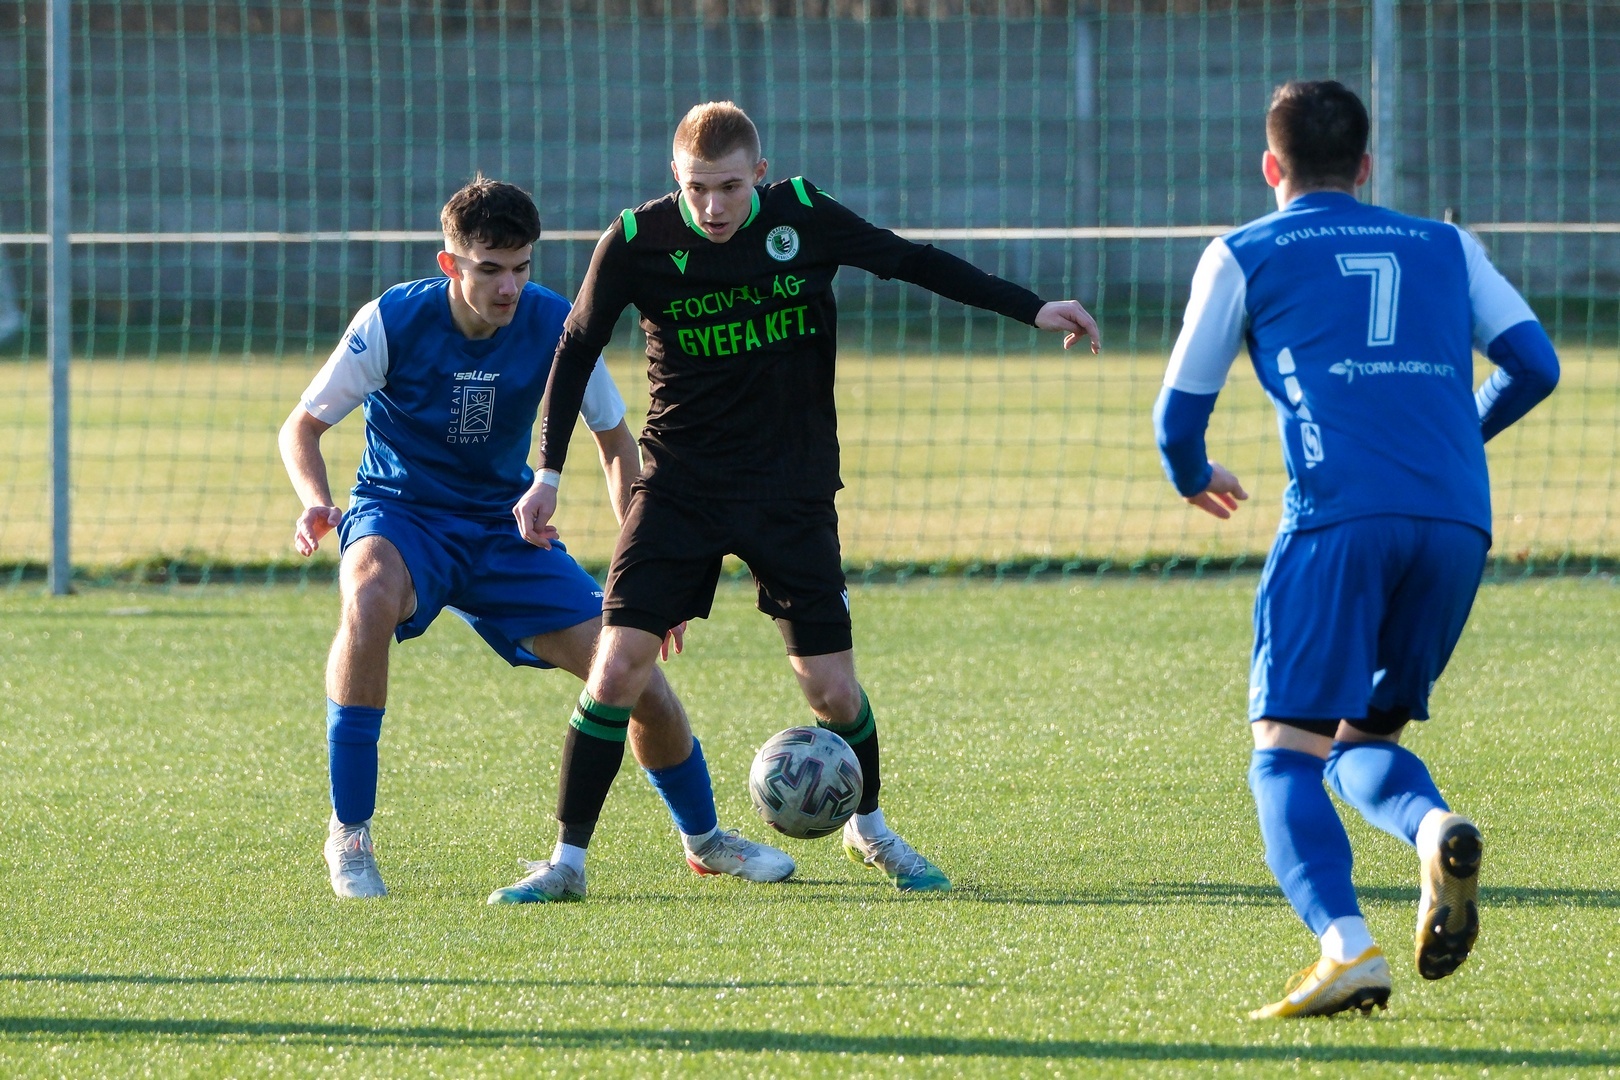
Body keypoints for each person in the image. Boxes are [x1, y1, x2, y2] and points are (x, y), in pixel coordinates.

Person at [516, 101, 1100, 895]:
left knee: (831, 689)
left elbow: (910, 260)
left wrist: (1030, 307)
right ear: (674, 179)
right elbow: (577, 346)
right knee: (616, 668)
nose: (712, 206)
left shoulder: (803, 216)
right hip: (680, 486)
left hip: (790, 490)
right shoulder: (635, 240)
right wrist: (547, 475)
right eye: (696, 188)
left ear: (759, 175)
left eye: (729, 187)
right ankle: (567, 864)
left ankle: (870, 829)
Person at [1154, 81, 1559, 1017]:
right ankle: (1434, 829)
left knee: (1284, 752)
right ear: (1366, 167)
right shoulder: (1447, 244)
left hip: (1337, 519)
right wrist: (1451, 442)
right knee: (1360, 741)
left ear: (1271, 165)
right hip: (1456, 523)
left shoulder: (1243, 251)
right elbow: (1536, 364)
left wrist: (1193, 474)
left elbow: (1176, 418)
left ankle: (1347, 949)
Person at [277, 175, 792, 903]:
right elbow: (301, 428)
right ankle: (351, 834)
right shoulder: (392, 319)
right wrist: (317, 502)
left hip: (504, 528)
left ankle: (705, 840)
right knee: (367, 598)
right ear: (450, 264)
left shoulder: (557, 324)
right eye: (490, 269)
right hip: (401, 515)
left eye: (521, 267)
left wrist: (648, 571)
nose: (509, 287)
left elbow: (616, 445)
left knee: (633, 676)